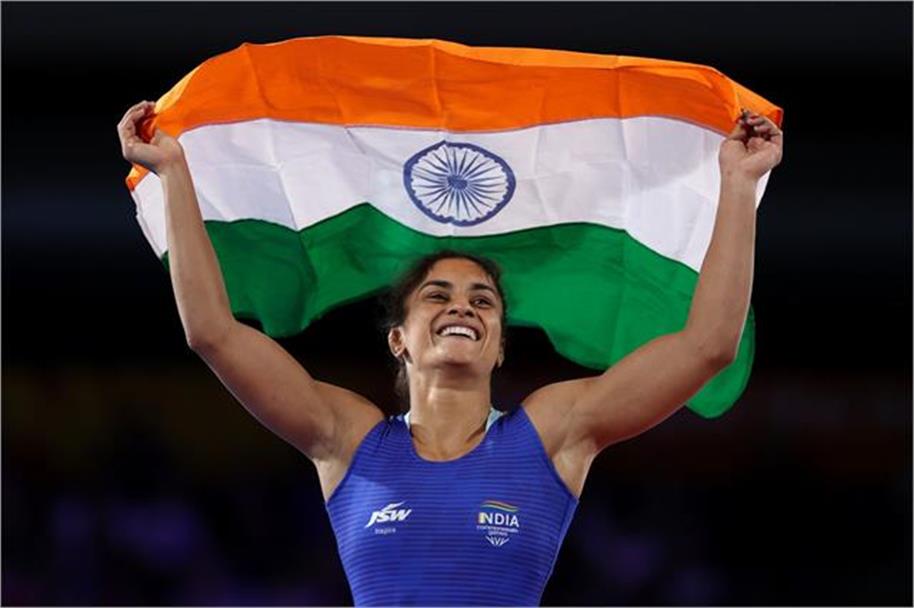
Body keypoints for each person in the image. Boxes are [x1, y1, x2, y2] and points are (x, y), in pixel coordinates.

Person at [118, 100, 783, 606]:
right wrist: (173, 173)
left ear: (499, 346)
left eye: (482, 301)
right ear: (399, 339)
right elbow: (213, 332)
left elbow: (707, 346)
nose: (462, 307)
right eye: (437, 295)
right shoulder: (347, 438)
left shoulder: (552, 432)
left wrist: (738, 184)